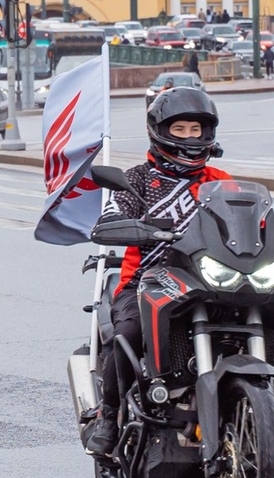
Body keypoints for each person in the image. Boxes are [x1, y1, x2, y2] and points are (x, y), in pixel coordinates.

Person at [84, 85, 233, 457]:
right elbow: (111, 215)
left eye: (195, 130)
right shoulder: (136, 179)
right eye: (179, 129)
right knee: (130, 333)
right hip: (147, 281)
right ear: (160, 131)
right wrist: (124, 223)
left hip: (208, 280)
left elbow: (251, 220)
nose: (188, 137)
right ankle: (108, 414)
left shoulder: (219, 180)